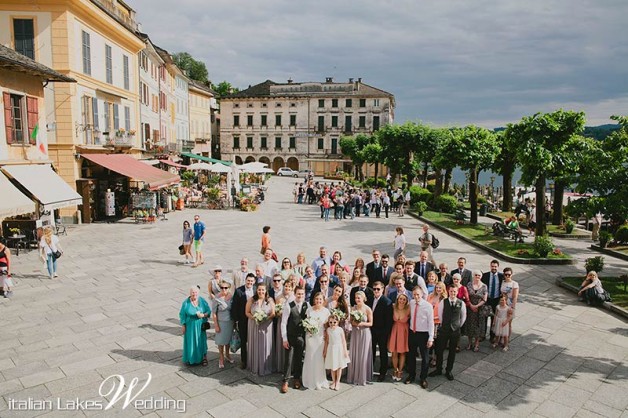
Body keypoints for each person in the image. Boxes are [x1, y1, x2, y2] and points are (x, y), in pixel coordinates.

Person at [429, 286, 467, 381]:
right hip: (444, 330)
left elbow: (463, 317)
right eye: (451, 291)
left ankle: (448, 370)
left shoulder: (461, 303)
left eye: (454, 291)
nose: (452, 293)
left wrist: (457, 326)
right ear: (448, 291)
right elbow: (440, 315)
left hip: (455, 331)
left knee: (452, 351)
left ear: (457, 292)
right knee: (439, 350)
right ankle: (438, 369)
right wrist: (445, 325)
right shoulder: (443, 302)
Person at [406, 286, 435, 388]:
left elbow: (431, 322)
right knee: (411, 356)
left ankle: (423, 378)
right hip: (412, 333)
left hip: (423, 334)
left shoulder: (428, 306)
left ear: (422, 294)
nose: (416, 296)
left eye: (418, 294)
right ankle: (411, 375)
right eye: (414, 294)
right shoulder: (412, 303)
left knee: (425, 358)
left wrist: (431, 338)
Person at [281, 286, 308, 393]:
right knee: (288, 359)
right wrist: (284, 339)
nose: (300, 296)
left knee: (298, 358)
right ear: (295, 294)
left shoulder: (307, 305)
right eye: (298, 294)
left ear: (304, 294)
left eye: (302, 294)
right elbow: (283, 323)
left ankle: (297, 378)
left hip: (301, 337)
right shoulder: (289, 305)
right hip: (290, 337)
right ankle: (285, 381)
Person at [302, 292, 331, 390]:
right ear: (314, 300)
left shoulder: (326, 311)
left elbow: (327, 326)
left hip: (320, 337)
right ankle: (308, 379)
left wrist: (326, 337)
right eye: (317, 299)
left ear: (323, 301)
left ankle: (319, 380)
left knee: (319, 358)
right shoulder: (309, 310)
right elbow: (306, 322)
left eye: (320, 299)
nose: (318, 301)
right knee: (310, 356)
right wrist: (309, 328)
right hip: (310, 336)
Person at [246, 283, 275, 376]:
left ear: (266, 290)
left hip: (266, 326)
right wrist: (255, 318)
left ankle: (265, 366)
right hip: (254, 325)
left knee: (265, 344)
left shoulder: (270, 300)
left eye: (263, 290)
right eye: (259, 290)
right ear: (256, 290)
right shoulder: (251, 299)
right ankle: (254, 366)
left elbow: (273, 313)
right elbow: (247, 312)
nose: (261, 291)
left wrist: (265, 318)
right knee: (255, 344)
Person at [347, 291, 373, 385]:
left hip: (364, 333)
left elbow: (371, 323)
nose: (357, 299)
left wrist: (361, 323)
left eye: (359, 298)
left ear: (363, 298)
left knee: (363, 354)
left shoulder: (367, 309)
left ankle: (363, 377)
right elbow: (350, 321)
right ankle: (354, 376)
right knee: (355, 353)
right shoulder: (353, 308)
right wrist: (354, 323)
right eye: (356, 298)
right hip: (355, 333)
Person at [180, 287, 211, 366]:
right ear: (190, 293)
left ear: (198, 293)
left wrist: (204, 315)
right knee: (191, 342)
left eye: (196, 292)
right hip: (190, 326)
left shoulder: (202, 300)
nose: (194, 294)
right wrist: (183, 325)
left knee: (201, 341)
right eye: (193, 292)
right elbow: (182, 314)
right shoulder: (186, 303)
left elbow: (208, 311)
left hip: (200, 325)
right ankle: (191, 358)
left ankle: (203, 358)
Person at [232, 273, 255, 369]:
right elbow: (234, 307)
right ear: (245, 280)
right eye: (248, 280)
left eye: (251, 281)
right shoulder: (239, 291)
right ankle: (243, 361)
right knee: (243, 340)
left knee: (254, 340)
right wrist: (236, 321)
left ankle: (254, 359)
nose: (249, 282)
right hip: (243, 320)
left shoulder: (257, 290)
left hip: (254, 320)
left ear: (254, 282)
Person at [370, 281, 393, 381]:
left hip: (382, 332)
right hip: (371, 330)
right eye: (374, 289)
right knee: (371, 351)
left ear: (383, 290)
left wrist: (385, 333)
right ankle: (370, 369)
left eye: (378, 289)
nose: (376, 291)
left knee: (383, 352)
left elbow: (389, 321)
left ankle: (382, 372)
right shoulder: (370, 299)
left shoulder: (387, 302)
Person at [211, 280, 234, 368]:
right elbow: (213, 313)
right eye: (222, 288)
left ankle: (227, 355)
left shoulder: (231, 296)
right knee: (221, 341)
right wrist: (216, 325)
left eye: (226, 288)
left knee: (228, 340)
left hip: (230, 322)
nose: (224, 289)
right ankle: (221, 357)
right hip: (221, 322)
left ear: (229, 288)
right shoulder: (216, 298)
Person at [323, 314, 350, 390]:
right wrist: (325, 350)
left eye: (334, 322)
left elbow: (344, 341)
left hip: (339, 349)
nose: (332, 324)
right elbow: (327, 341)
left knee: (339, 366)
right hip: (331, 349)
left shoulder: (340, 330)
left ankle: (338, 381)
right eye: (330, 322)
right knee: (332, 366)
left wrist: (345, 351)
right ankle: (333, 381)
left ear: (338, 322)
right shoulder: (328, 330)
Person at [388, 292, 410, 382]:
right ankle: (395, 369)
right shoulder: (393, 307)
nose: (402, 301)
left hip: (404, 331)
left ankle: (400, 371)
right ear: (397, 299)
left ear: (406, 301)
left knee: (402, 352)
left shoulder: (409, 309)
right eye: (400, 299)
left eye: (404, 299)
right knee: (394, 352)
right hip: (394, 330)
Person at [481, 259, 504, 342]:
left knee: (494, 319)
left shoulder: (501, 276)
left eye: (495, 266)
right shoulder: (485, 275)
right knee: (484, 318)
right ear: (490, 266)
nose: (494, 268)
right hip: (487, 299)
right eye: (492, 266)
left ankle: (492, 336)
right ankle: (482, 335)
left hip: (496, 300)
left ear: (498, 267)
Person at [466, 270, 488, 352]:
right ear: (473, 275)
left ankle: (477, 343)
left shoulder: (484, 286)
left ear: (481, 276)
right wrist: (471, 305)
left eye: (479, 275)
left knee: (478, 326)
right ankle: (469, 342)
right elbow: (466, 295)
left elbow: (485, 299)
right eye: (476, 275)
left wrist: (477, 306)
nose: (477, 277)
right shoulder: (469, 284)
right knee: (470, 325)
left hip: (479, 309)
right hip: (470, 308)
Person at [427, 282, 447, 367]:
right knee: (429, 341)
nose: (438, 289)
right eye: (437, 287)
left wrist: (435, 318)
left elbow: (444, 313)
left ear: (443, 289)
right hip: (429, 322)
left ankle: (435, 358)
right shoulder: (430, 296)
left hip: (438, 323)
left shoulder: (444, 299)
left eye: (440, 288)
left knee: (436, 342)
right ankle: (430, 357)